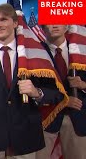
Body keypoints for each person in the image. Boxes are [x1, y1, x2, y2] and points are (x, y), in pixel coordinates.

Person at [0, 4, 64, 158]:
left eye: (3, 19)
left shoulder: (34, 54)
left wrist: (36, 92)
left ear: (15, 23)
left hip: (26, 138)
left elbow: (57, 94)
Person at [36, 25, 86, 159]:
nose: (55, 25)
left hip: (77, 118)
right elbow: (33, 87)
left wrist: (83, 84)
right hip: (45, 119)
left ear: (67, 26)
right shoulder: (35, 51)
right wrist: (64, 100)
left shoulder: (81, 49)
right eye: (50, 21)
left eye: (59, 20)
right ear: (43, 28)